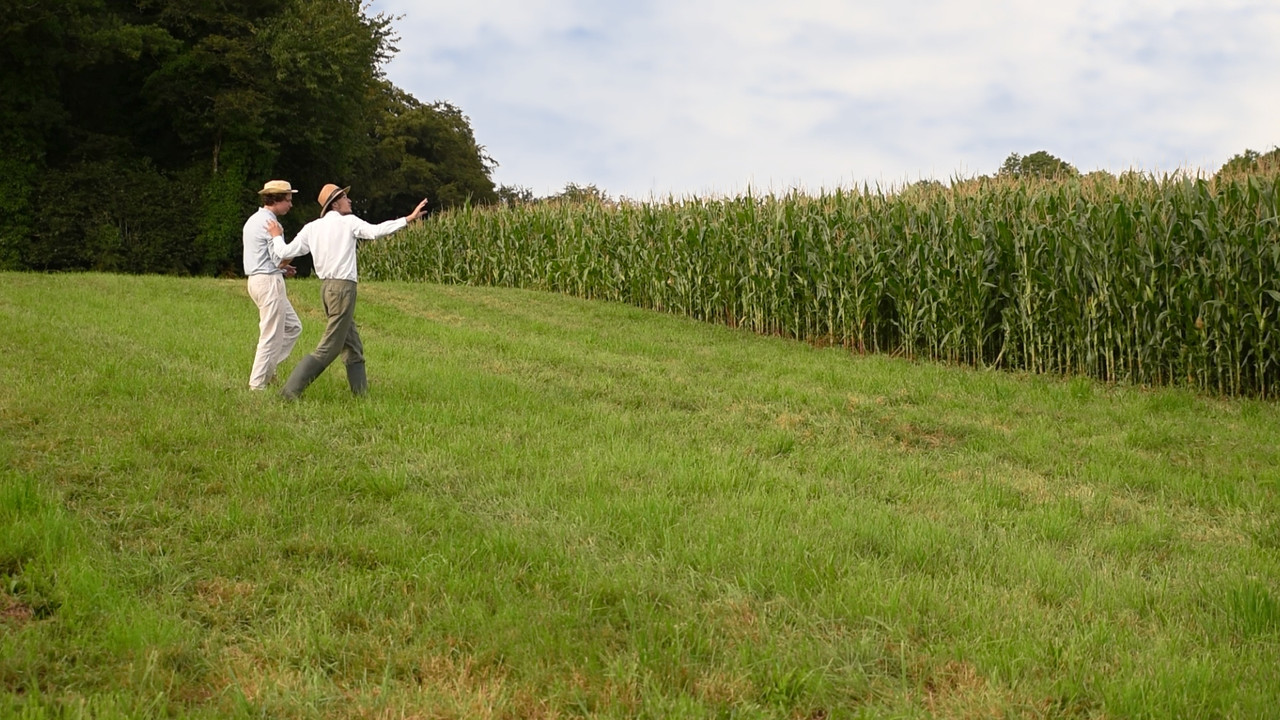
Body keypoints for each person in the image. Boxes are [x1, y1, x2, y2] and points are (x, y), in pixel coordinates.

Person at [271, 183, 428, 399]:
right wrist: (409, 219)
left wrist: (276, 236)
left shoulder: (311, 228)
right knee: (331, 347)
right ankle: (289, 392)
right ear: (335, 203)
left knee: (352, 345)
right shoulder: (348, 223)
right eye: (345, 197)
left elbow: (285, 251)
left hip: (326, 290)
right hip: (343, 290)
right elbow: (376, 231)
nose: (350, 200)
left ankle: (361, 397)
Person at [242, 179, 303, 390]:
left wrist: (282, 269)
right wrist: (297, 249)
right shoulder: (273, 225)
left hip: (257, 279)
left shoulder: (253, 220)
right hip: (268, 283)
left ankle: (269, 369)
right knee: (270, 335)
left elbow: (264, 258)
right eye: (288, 200)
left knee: (293, 326)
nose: (291, 204)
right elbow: (279, 257)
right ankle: (257, 385)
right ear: (277, 200)